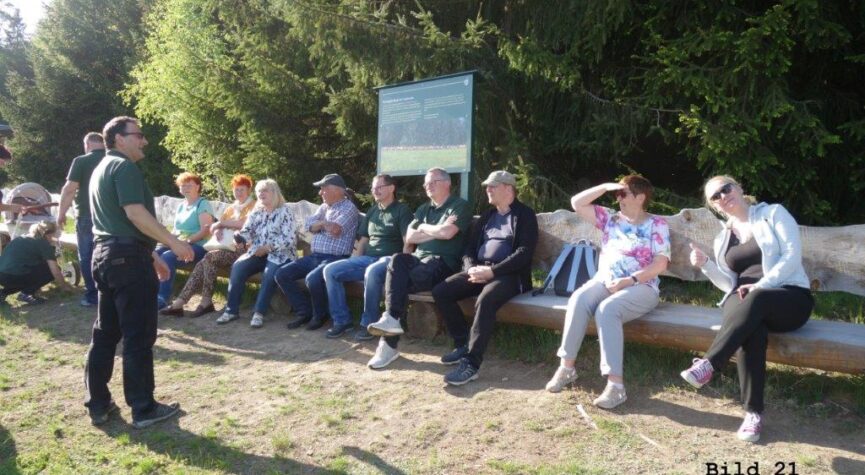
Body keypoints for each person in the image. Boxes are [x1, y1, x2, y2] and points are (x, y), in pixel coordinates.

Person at [679, 176, 813, 443]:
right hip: (743, 300)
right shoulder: (723, 238)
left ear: (739, 188)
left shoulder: (773, 214)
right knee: (752, 331)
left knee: (757, 299)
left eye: (726, 188)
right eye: (715, 196)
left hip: (787, 296)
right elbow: (728, 283)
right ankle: (753, 414)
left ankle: (710, 364)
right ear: (714, 206)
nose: (722, 196)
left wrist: (760, 286)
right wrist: (706, 264)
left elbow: (791, 255)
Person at [85, 116, 194, 429]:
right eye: (139, 135)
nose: (144, 140)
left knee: (105, 334)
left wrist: (152, 255)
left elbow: (117, 222)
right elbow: (134, 214)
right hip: (127, 261)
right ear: (120, 138)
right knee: (138, 335)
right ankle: (143, 408)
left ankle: (98, 403)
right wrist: (172, 243)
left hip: (106, 256)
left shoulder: (101, 168)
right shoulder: (124, 167)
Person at [545, 175, 670, 410]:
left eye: (624, 193)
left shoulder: (657, 224)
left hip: (641, 286)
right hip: (605, 281)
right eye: (617, 194)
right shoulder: (610, 219)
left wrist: (629, 280)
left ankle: (616, 386)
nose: (618, 198)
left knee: (607, 310)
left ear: (641, 197)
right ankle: (566, 368)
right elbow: (577, 203)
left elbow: (660, 264)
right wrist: (603, 187)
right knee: (579, 299)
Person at [432, 171, 538, 385]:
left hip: (510, 275)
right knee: (442, 291)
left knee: (485, 299)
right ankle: (463, 344)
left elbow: (524, 253)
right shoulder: (487, 216)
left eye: (493, 186)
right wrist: (471, 268)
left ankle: (471, 364)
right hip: (480, 270)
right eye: (487, 186)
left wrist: (493, 272)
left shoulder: (525, 215)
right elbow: (468, 248)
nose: (488, 190)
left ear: (508, 188)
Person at [366, 167, 472, 369]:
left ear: (447, 183)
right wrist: (436, 230)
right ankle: (391, 321)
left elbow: (448, 233)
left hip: (442, 264)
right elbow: (410, 237)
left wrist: (424, 228)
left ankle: (387, 345)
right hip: (419, 262)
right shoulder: (424, 209)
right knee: (397, 259)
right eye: (425, 184)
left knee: (398, 283)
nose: (427, 186)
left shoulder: (459, 206)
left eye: (433, 182)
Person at [320, 174, 412, 339]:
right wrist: (353, 261)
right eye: (373, 188)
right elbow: (363, 241)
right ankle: (342, 321)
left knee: (372, 271)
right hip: (369, 259)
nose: (375, 191)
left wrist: (403, 267)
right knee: (330, 270)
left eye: (379, 187)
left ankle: (369, 323)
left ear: (391, 188)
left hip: (391, 260)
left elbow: (408, 242)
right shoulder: (373, 211)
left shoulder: (402, 210)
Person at [160, 174, 256, 318]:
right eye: (236, 190)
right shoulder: (231, 208)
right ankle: (190, 302)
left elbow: (245, 224)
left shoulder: (254, 206)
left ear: (249, 190)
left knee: (208, 258)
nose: (238, 193)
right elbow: (214, 227)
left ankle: (194, 302)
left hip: (244, 249)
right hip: (226, 247)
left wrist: (221, 224)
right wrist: (217, 229)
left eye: (242, 189)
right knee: (206, 261)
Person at [277, 173, 359, 331]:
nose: (320, 193)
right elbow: (308, 225)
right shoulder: (324, 207)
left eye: (323, 189)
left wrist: (319, 226)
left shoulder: (349, 208)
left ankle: (320, 315)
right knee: (282, 274)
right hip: (315, 257)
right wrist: (323, 224)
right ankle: (304, 311)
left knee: (313, 279)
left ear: (337, 190)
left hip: (336, 258)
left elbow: (335, 230)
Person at [217, 179, 297, 328]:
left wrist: (268, 248)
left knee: (269, 273)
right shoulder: (257, 211)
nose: (261, 194)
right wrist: (239, 237)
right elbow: (247, 230)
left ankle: (259, 313)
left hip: (281, 255)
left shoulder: (285, 211)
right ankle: (231, 310)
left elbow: (290, 239)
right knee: (238, 266)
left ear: (274, 192)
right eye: (259, 191)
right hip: (258, 253)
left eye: (265, 190)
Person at [58, 132, 107, 307]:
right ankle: (111, 292)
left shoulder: (81, 161)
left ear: (87, 144)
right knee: (110, 253)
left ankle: (93, 295)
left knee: (87, 255)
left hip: (87, 214)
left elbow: (69, 189)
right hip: (112, 216)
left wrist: (61, 213)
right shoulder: (114, 158)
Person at [155, 173, 215, 309]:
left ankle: (163, 297)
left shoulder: (202, 204)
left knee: (167, 257)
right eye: (183, 185)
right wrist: (169, 239)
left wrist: (186, 242)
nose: (186, 188)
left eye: (189, 185)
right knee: (154, 254)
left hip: (198, 246)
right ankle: (151, 291)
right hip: (180, 243)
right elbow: (176, 230)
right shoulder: (181, 205)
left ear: (197, 187)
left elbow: (206, 230)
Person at [0, 220, 74, 304]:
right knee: (49, 271)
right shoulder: (43, 243)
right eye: (54, 235)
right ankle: (26, 294)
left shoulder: (22, 237)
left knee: (21, 276)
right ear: (49, 234)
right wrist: (64, 286)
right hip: (13, 275)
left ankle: (3, 293)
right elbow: (55, 270)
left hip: (2, 275)